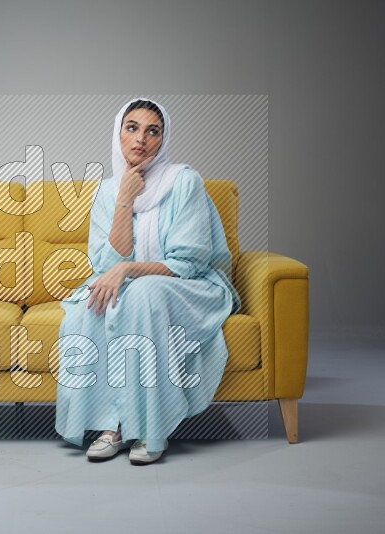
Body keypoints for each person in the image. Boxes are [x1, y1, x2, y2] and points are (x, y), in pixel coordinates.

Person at [54, 98, 242, 465]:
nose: (141, 139)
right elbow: (107, 263)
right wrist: (125, 197)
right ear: (118, 134)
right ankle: (113, 424)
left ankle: (150, 428)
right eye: (132, 128)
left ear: (163, 138)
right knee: (90, 309)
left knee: (140, 295)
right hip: (136, 283)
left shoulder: (184, 181)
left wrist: (128, 271)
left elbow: (189, 261)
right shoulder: (107, 190)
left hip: (188, 285)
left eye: (152, 131)